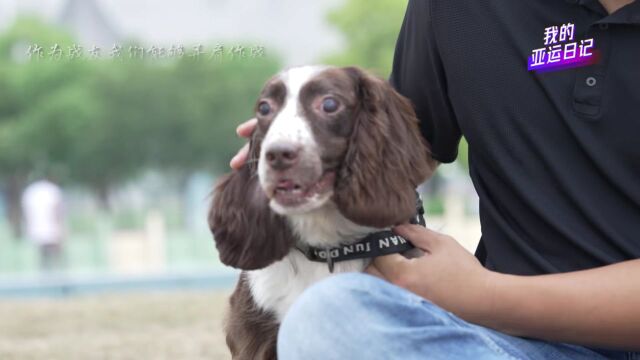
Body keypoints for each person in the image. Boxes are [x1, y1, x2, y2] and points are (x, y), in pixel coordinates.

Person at [231, 0, 640, 358]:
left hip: (501, 308)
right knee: (328, 317)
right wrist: (302, 137)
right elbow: (396, 142)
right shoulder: (459, 8)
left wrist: (485, 296)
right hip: (511, 347)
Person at [21, 178, 65, 272]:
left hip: (37, 228)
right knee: (55, 254)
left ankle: (46, 272)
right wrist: (60, 227)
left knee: (43, 255)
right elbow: (57, 211)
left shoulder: (30, 191)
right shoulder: (52, 190)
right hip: (51, 228)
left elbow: (26, 213)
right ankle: (56, 272)